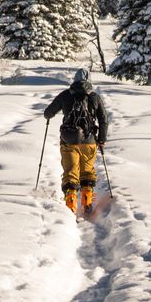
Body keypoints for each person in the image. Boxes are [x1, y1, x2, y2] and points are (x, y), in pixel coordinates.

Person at [43, 68, 109, 215]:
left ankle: (70, 206)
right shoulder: (94, 97)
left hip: (68, 140)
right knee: (87, 172)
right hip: (89, 141)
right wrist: (102, 139)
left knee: (70, 173)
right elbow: (104, 120)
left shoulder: (65, 95)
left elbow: (48, 113)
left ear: (74, 80)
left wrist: (50, 116)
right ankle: (87, 202)